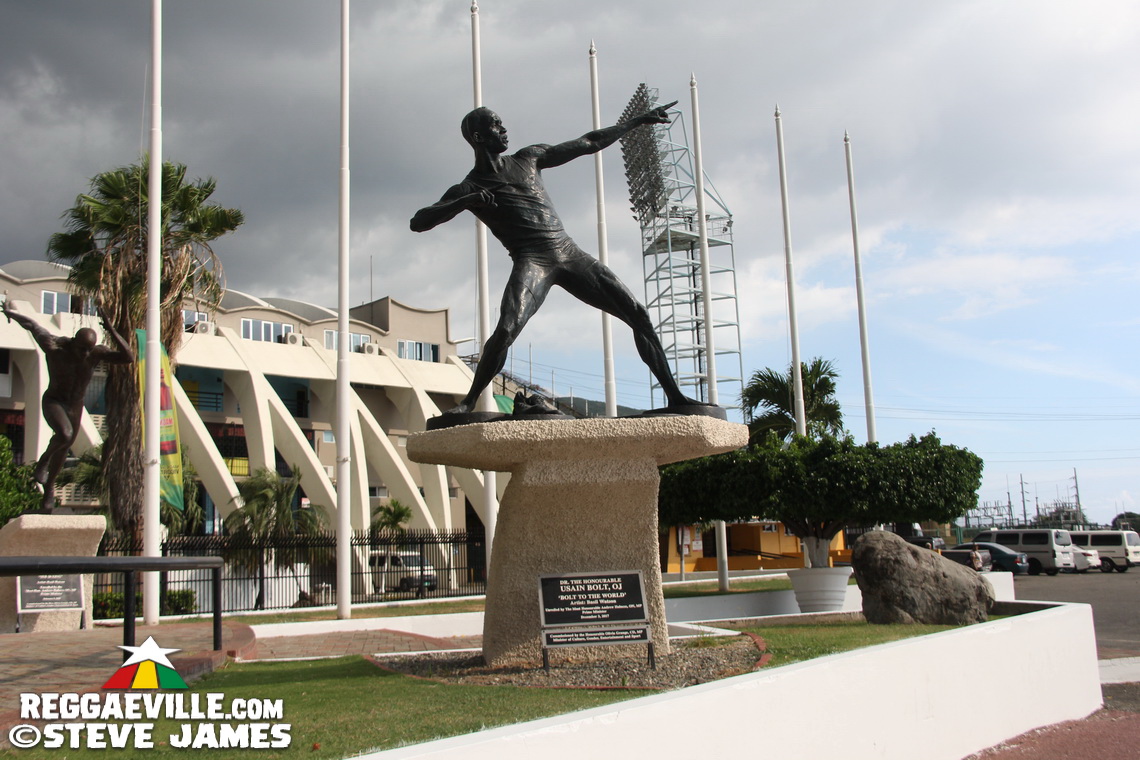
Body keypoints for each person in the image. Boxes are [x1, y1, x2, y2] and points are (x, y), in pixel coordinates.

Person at [411, 102, 710, 418]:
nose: (504, 129)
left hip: (568, 252)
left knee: (638, 313)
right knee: (506, 329)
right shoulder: (470, 187)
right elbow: (419, 222)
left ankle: (675, 396)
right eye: (496, 125)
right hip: (532, 260)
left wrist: (634, 123)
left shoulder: (529, 158)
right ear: (479, 137)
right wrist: (464, 202)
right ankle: (469, 402)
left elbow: (588, 142)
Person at [2, 298, 133, 510]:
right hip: (54, 401)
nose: (85, 354)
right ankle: (43, 463)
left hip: (75, 406)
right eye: (82, 349)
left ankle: (49, 490)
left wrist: (110, 329)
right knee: (64, 434)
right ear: (73, 341)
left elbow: (128, 356)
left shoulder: (94, 354)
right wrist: (12, 314)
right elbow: (32, 326)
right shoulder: (53, 347)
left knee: (64, 447)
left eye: (88, 349)